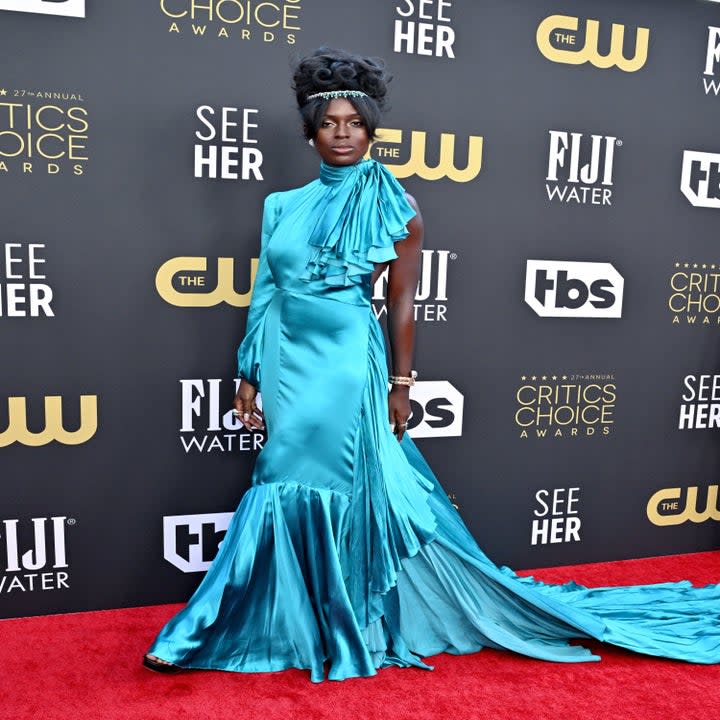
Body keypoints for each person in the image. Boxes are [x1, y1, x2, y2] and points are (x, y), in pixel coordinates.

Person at [144, 48, 720, 681]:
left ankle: (333, 621)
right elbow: (266, 290)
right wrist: (249, 370)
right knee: (277, 477)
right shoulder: (280, 205)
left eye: (355, 123)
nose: (342, 133)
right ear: (309, 132)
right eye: (330, 122)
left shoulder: (397, 205)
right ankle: (266, 620)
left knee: (337, 483)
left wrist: (400, 382)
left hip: (344, 360)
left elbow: (402, 299)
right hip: (284, 358)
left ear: (371, 131)